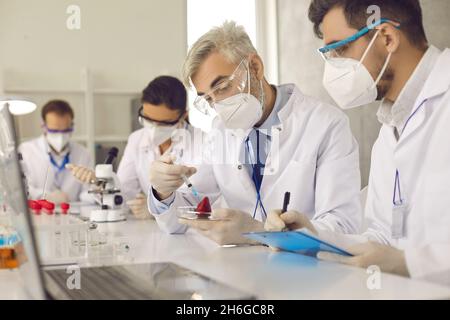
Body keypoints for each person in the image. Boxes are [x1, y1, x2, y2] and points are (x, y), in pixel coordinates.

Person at [266, 0, 450, 286]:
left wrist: (409, 264)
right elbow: (380, 238)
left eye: (340, 49)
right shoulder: (389, 132)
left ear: (387, 38)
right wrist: (311, 237)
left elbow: (398, 257)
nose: (334, 68)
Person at [148, 21, 362, 245]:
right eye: (209, 99)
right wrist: (163, 194)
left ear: (255, 67)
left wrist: (258, 233)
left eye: (222, 88)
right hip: (244, 270)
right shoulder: (221, 130)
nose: (218, 104)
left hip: (309, 270)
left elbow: (342, 225)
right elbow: (184, 216)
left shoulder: (325, 124)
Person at [68, 76, 213, 220]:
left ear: (183, 115)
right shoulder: (136, 139)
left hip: (194, 233)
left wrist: (156, 209)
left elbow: (199, 202)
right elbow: (124, 194)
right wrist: (103, 185)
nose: (154, 129)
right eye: (148, 119)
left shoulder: (203, 142)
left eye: (165, 123)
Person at [19, 100, 93, 204]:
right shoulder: (26, 151)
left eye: (65, 131)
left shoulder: (83, 154)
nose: (60, 136)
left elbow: (87, 193)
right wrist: (46, 196)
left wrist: (97, 188)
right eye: (54, 131)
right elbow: (22, 189)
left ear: (72, 127)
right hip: (39, 214)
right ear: (44, 127)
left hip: (72, 215)